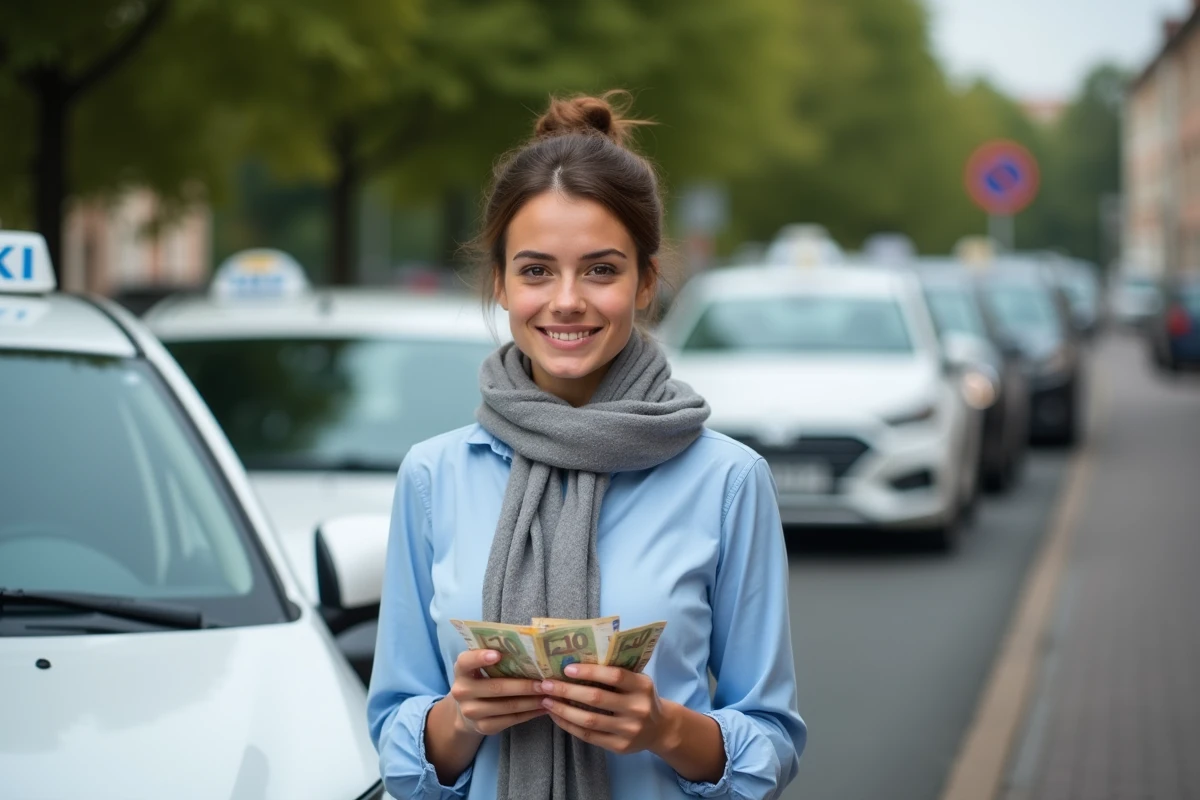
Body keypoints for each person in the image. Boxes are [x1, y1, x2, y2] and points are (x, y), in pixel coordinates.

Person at [367, 91, 806, 800]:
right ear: (501, 283)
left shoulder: (727, 480)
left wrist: (664, 727)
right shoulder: (433, 475)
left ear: (645, 282)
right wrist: (461, 718)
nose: (567, 299)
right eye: (536, 270)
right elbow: (397, 743)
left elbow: (772, 740)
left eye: (601, 270)